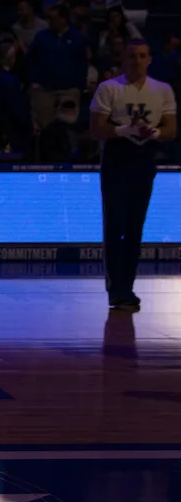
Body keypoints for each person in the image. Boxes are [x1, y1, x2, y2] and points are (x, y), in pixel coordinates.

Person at [89, 38, 176, 312]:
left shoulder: (162, 90)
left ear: (149, 59)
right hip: (116, 160)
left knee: (135, 227)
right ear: (123, 59)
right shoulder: (109, 88)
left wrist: (155, 133)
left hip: (143, 161)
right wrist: (126, 130)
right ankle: (117, 289)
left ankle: (128, 286)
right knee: (115, 227)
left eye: (142, 56)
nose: (137, 61)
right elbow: (96, 129)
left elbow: (172, 130)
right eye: (132, 56)